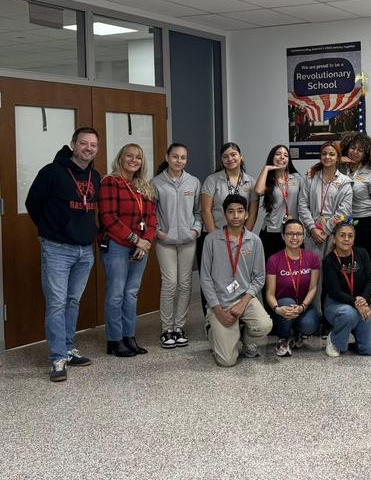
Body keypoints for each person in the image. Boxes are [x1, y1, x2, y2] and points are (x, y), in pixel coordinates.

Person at [26, 127, 101, 382]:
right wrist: (48, 229)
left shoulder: (95, 176)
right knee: (57, 304)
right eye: (84, 143)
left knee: (72, 302)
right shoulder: (51, 172)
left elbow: (90, 209)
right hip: (57, 248)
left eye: (93, 145)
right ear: (73, 144)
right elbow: (32, 203)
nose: (88, 148)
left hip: (84, 250)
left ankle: (69, 349)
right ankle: (57, 358)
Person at [200, 194, 272, 367]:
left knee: (264, 325)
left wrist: (243, 303)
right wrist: (217, 310)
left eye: (240, 211)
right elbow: (205, 278)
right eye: (231, 211)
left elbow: (259, 277)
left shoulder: (254, 241)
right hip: (220, 302)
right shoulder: (211, 240)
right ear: (225, 214)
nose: (236, 215)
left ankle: (245, 338)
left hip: (244, 299)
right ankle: (212, 328)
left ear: (246, 214)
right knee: (226, 361)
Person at [99, 143, 157, 358]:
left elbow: (151, 218)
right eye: (129, 156)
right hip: (116, 245)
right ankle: (114, 340)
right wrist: (136, 240)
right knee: (116, 294)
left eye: (138, 157)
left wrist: (146, 242)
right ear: (120, 158)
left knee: (131, 294)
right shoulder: (110, 182)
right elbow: (108, 217)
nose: (133, 160)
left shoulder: (144, 187)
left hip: (140, 246)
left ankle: (128, 336)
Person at [151, 143, 202, 349]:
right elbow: (150, 213)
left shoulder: (194, 182)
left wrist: (195, 230)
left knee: (185, 283)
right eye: (175, 156)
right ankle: (166, 328)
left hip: (188, 240)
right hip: (165, 241)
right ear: (167, 156)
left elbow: (198, 211)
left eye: (183, 157)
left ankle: (179, 327)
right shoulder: (156, 183)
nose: (179, 161)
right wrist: (157, 231)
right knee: (170, 283)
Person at [199, 142, 257, 312]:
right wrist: (215, 239)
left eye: (233, 154)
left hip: (239, 239)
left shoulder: (250, 181)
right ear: (221, 160)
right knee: (212, 278)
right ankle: (211, 317)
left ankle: (238, 313)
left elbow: (252, 213)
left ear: (241, 157)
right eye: (225, 156)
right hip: (214, 236)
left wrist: (245, 236)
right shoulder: (212, 180)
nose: (230, 158)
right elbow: (206, 211)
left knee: (238, 276)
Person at [322, 221, 371, 357]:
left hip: (361, 304)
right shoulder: (328, 261)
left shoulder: (362, 253)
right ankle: (335, 340)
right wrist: (357, 302)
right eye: (342, 235)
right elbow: (335, 292)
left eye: (350, 236)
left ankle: (355, 341)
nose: (346, 239)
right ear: (334, 238)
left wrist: (364, 300)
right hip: (337, 304)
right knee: (349, 314)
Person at [254, 144, 302, 306]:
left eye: (285, 155)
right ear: (272, 157)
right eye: (278, 154)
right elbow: (258, 191)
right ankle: (271, 310)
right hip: (271, 232)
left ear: (289, 159)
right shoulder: (269, 179)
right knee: (271, 274)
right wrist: (267, 168)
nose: (282, 157)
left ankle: (292, 307)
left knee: (291, 274)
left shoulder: (297, 178)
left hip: (292, 233)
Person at [265, 219, 321, 357]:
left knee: (309, 325)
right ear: (283, 236)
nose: (294, 237)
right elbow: (269, 293)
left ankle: (297, 333)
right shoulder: (273, 260)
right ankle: (283, 339)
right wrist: (277, 309)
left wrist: (302, 306)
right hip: (283, 307)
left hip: (304, 306)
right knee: (286, 302)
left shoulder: (312, 258)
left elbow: (313, 288)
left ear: (303, 236)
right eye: (290, 234)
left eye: (298, 234)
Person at [297, 140, 353, 264]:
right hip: (313, 233)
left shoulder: (345, 182)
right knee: (313, 272)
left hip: (334, 234)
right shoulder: (310, 177)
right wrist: (312, 228)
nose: (327, 157)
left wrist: (326, 230)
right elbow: (302, 205)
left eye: (332, 154)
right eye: (324, 153)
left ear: (338, 158)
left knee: (332, 273)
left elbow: (344, 210)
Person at [339, 132, 371, 265]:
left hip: (368, 222)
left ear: (366, 154)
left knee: (366, 261)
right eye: (353, 148)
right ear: (346, 148)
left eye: (360, 150)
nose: (355, 152)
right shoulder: (339, 169)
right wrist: (338, 159)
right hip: (344, 221)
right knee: (347, 262)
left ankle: (368, 286)